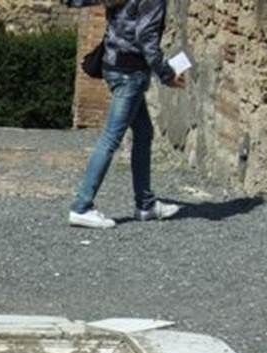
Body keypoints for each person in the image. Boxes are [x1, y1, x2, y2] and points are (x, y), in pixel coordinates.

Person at [68, 0, 185, 229]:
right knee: (111, 138)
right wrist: (166, 74)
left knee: (143, 133)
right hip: (130, 74)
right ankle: (81, 207)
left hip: (114, 65)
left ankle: (146, 204)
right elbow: (146, 38)